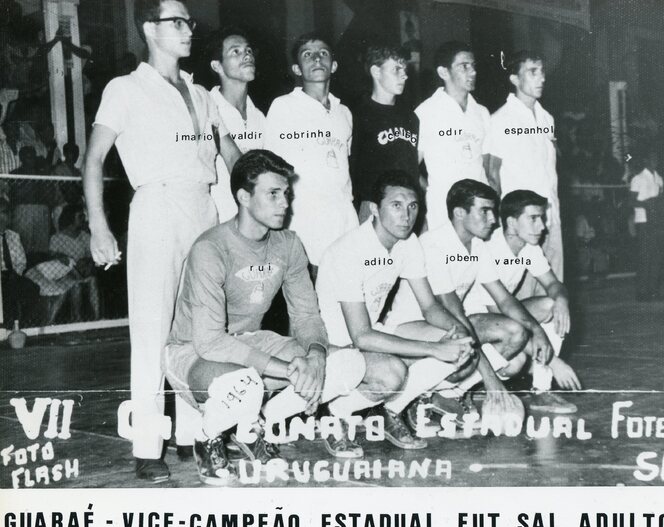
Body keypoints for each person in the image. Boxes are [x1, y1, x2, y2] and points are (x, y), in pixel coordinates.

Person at [83, 0, 242, 482]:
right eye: (177, 22)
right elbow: (93, 160)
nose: (188, 29)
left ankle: (197, 435)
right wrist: (98, 226)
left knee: (203, 328)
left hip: (204, 208)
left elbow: (232, 159)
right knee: (153, 331)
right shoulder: (124, 88)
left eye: (189, 22)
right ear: (149, 29)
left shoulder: (201, 93)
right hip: (157, 206)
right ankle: (148, 446)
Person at [164, 150, 366, 484]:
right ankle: (207, 436)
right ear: (244, 197)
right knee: (245, 383)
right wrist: (290, 370)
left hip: (251, 343)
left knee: (349, 363)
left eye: (285, 193)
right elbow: (211, 341)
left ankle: (256, 425)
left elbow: (307, 316)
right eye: (273, 194)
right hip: (193, 352)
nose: (284, 203)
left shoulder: (289, 244)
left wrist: (316, 357)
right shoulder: (210, 248)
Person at [316, 170, 475, 446]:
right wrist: (433, 349)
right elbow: (361, 336)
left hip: (371, 335)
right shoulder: (348, 251)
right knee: (393, 374)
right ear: (374, 209)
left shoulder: (407, 242)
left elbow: (429, 306)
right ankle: (335, 412)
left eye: (412, 206)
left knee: (457, 346)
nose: (406, 215)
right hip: (334, 345)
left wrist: (457, 332)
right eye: (396, 205)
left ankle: (390, 410)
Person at [384, 179, 553, 424]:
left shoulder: (477, 246)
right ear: (459, 213)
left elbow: (504, 299)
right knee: (462, 344)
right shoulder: (434, 245)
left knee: (515, 338)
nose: (493, 219)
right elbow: (451, 311)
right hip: (408, 327)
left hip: (445, 325)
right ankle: (396, 405)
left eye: (492, 211)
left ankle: (447, 395)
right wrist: (492, 381)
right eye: (484, 211)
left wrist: (536, 331)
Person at [463, 190, 580, 413]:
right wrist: (553, 361)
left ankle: (541, 391)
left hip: (503, 320)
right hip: (475, 327)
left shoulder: (529, 248)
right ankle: (464, 387)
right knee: (514, 364)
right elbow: (500, 315)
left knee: (551, 305)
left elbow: (553, 284)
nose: (542, 226)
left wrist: (562, 301)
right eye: (533, 218)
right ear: (511, 222)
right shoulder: (489, 248)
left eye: (542, 218)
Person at [264, 33, 358, 271]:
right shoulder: (283, 106)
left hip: (344, 219)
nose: (317, 58)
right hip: (304, 220)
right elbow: (270, 169)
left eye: (323, 53)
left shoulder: (344, 112)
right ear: (297, 69)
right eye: (307, 55)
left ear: (333, 65)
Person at [485, 51, 563, 282]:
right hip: (520, 221)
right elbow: (491, 174)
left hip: (550, 216)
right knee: (522, 287)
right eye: (532, 72)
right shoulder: (500, 120)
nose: (542, 78)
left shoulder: (547, 119)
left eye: (542, 72)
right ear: (515, 79)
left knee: (554, 285)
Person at [415, 41, 490, 230]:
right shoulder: (426, 112)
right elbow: (411, 165)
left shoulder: (481, 112)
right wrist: (432, 191)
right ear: (443, 72)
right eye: (464, 66)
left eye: (473, 66)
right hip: (443, 213)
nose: (473, 72)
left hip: (479, 209)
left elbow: (488, 166)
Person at [351, 46, 419, 224]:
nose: (404, 76)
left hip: (409, 205)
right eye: (396, 69)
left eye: (405, 69)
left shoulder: (411, 117)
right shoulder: (358, 115)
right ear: (376, 72)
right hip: (374, 207)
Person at [207, 27, 269, 223]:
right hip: (216, 222)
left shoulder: (260, 117)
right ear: (217, 65)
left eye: (248, 50)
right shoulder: (206, 107)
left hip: (252, 222)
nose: (247, 56)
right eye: (236, 51)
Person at [49, 203, 99, 321]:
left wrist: (86, 263)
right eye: (80, 216)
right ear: (71, 218)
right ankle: (77, 317)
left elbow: (90, 257)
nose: (83, 219)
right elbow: (53, 259)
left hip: (82, 272)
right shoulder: (57, 238)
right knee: (75, 284)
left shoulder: (85, 236)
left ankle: (97, 317)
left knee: (93, 281)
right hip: (64, 275)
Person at [629, 149, 664, 301]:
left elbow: (662, 200)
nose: (655, 160)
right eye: (652, 157)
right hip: (644, 221)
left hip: (657, 221)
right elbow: (631, 201)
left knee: (657, 256)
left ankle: (654, 291)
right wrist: (646, 204)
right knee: (645, 256)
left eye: (656, 158)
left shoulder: (659, 178)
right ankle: (642, 292)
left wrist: (658, 208)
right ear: (645, 160)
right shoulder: (637, 178)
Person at [0, 199, 38, 327]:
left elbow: (21, 261)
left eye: (8, 213)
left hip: (12, 275)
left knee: (33, 288)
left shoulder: (14, 236)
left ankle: (24, 324)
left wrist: (14, 274)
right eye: (3, 212)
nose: (7, 216)